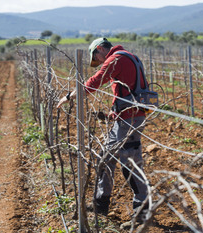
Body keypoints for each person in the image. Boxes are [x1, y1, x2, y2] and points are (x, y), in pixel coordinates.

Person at [57, 38, 149, 222]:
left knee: (130, 164)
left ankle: (142, 212)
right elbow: (128, 89)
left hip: (130, 119)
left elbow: (94, 82)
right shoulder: (129, 57)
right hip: (125, 117)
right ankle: (101, 204)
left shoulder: (115, 59)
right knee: (105, 158)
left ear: (99, 49)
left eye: (97, 58)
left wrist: (69, 96)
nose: (99, 62)